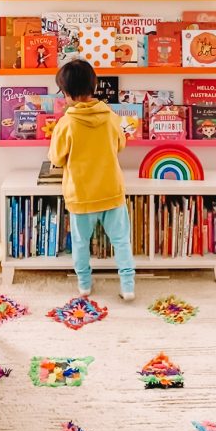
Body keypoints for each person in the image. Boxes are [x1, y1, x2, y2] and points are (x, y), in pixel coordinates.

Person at [49, 58, 135, 300]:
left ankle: (84, 285)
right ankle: (128, 286)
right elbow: (120, 144)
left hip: (81, 194)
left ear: (66, 93)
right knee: (121, 241)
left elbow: (56, 157)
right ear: (94, 85)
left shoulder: (66, 124)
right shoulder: (111, 117)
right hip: (111, 190)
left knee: (80, 243)